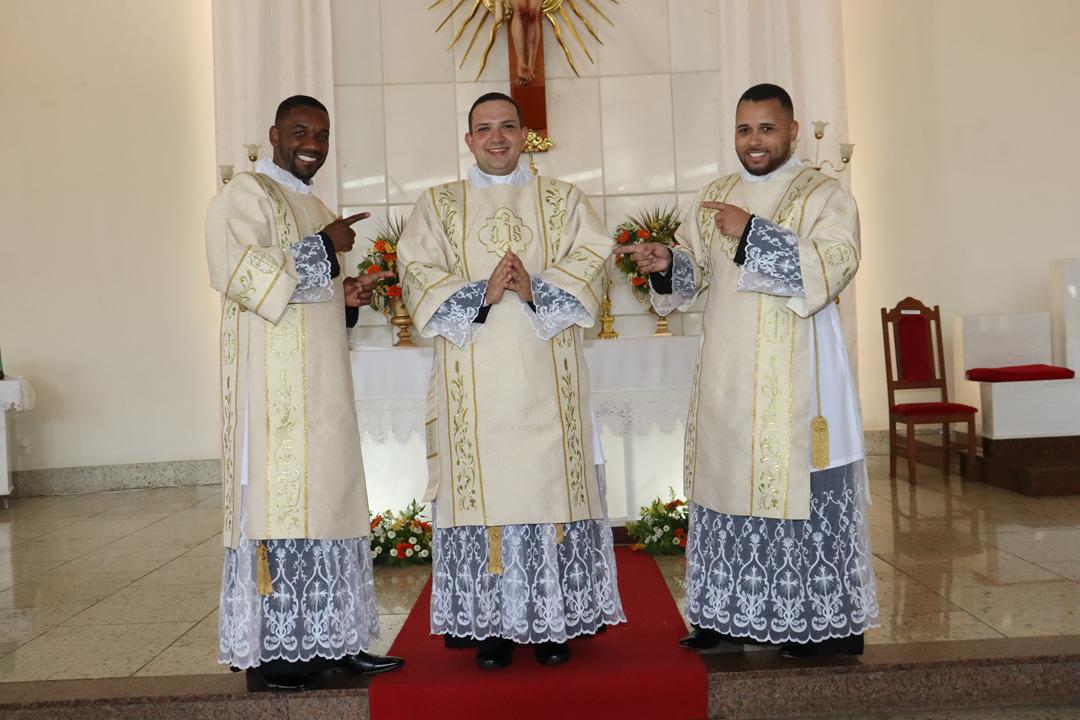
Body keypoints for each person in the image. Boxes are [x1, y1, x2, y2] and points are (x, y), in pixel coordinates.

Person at [616, 83, 878, 657]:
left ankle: (822, 624)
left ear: (791, 131)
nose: (754, 141)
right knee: (725, 480)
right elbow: (694, 276)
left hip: (801, 374)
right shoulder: (715, 195)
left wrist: (753, 232)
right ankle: (728, 616)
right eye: (744, 129)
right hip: (728, 375)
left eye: (766, 128)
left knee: (802, 486)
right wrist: (667, 263)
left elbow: (836, 263)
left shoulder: (824, 194)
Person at [397, 92, 625, 670]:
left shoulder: (564, 199)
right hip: (472, 384)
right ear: (468, 140)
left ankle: (551, 624)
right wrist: (483, 291)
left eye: (506, 127)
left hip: (547, 378)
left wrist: (534, 287)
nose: (495, 138)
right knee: (487, 497)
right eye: (483, 129)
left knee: (548, 493)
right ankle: (492, 627)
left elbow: (595, 258)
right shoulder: (438, 204)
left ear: (526, 135)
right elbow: (415, 270)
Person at [205, 94, 403, 690]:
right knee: (286, 514)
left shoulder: (314, 203)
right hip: (276, 400)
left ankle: (338, 641)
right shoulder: (245, 194)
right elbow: (238, 273)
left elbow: (308, 296)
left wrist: (346, 299)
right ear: (274, 134)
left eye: (321, 134)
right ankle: (283, 653)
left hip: (323, 392)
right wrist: (324, 246)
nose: (312, 144)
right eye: (299, 132)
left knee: (333, 506)